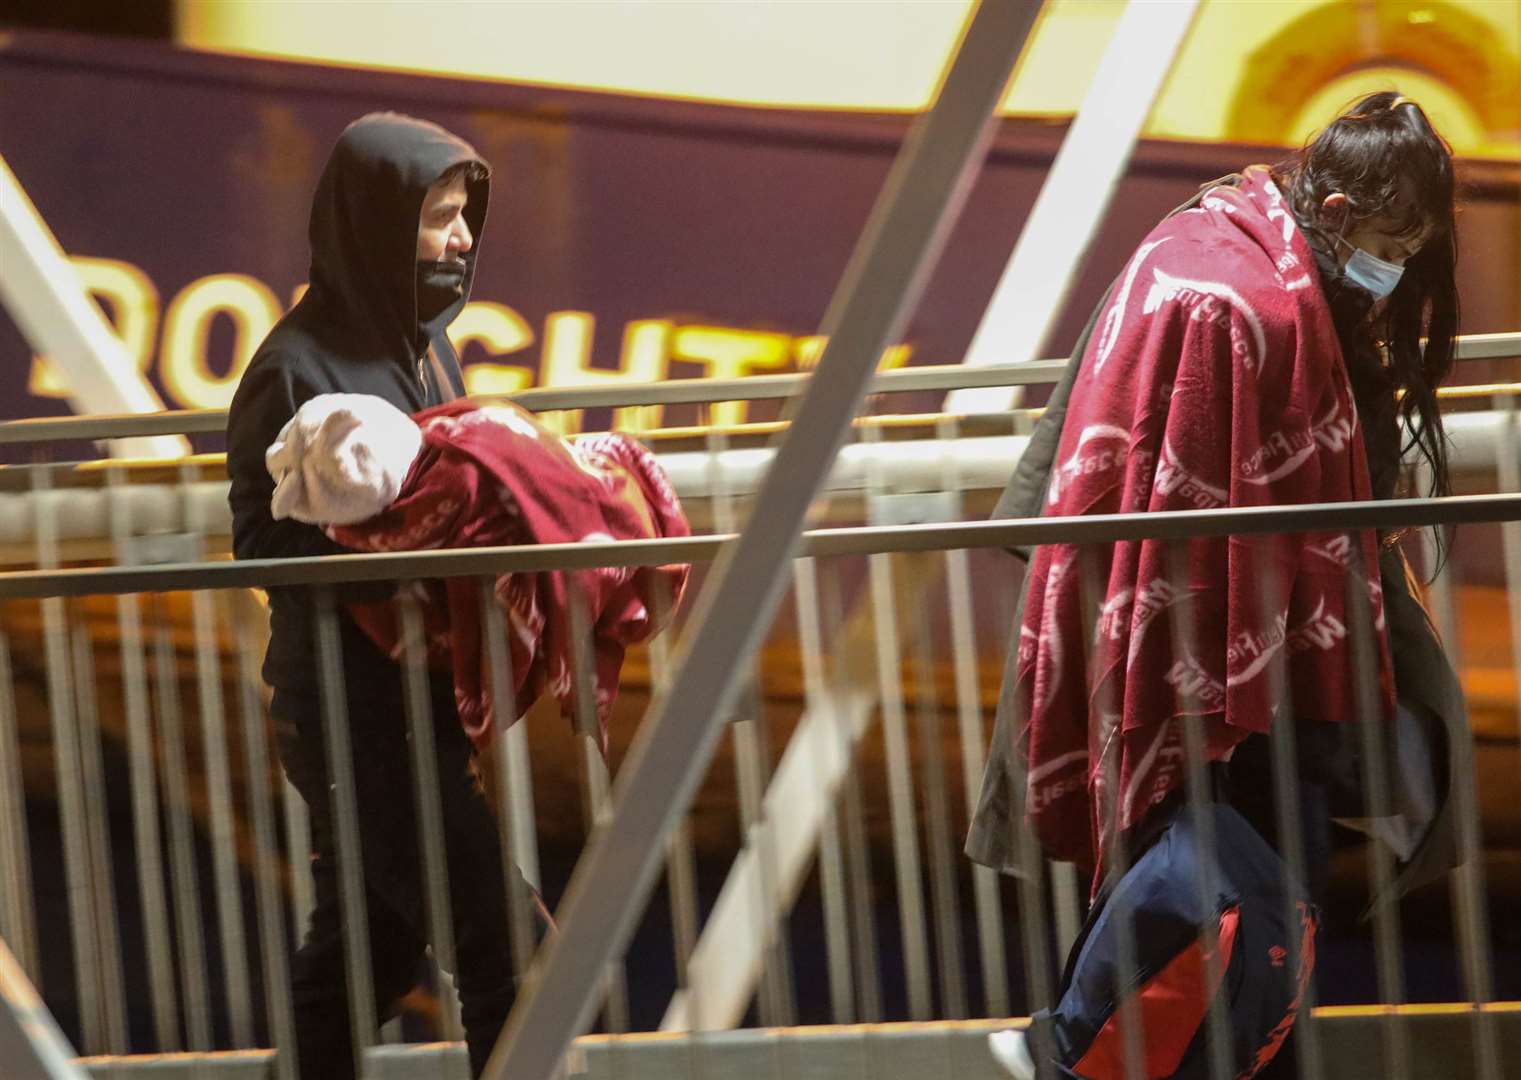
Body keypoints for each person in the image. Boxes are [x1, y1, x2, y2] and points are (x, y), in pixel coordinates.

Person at [968, 92, 1466, 1078]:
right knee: (1226, 922)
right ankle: (1061, 1049)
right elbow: (1187, 486)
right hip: (1218, 676)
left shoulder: (1248, 253)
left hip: (1258, 668)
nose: (1397, 265)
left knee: (1226, 921)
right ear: (1330, 207)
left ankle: (1066, 1048)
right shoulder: (1229, 295)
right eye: (1389, 239)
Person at [226, 112, 520, 1079]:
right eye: (440, 217)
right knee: (506, 943)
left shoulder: (424, 349)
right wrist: (384, 529)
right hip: (351, 714)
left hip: (413, 702)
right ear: (378, 222)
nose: (463, 239)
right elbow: (263, 544)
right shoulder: (290, 368)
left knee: (367, 950)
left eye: (464, 216)